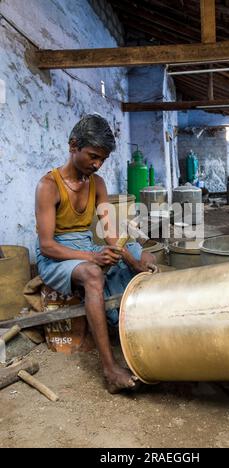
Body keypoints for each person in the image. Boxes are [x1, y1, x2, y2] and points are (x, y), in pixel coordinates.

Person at [35, 114, 156, 394]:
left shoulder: (97, 183)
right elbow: (47, 246)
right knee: (92, 275)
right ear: (73, 145)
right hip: (57, 255)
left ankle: (146, 334)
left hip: (86, 246)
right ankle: (109, 369)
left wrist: (133, 259)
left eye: (102, 159)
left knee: (141, 254)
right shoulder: (48, 185)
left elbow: (111, 233)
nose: (97, 164)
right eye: (92, 156)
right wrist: (93, 258)